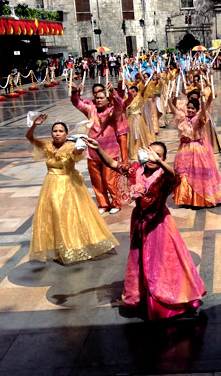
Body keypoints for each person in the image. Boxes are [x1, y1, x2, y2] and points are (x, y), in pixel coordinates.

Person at [85, 137, 206, 320]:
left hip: (158, 224)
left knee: (162, 261)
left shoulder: (164, 176)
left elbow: (174, 175)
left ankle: (166, 297)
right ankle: (143, 295)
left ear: (163, 159)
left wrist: (160, 163)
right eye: (149, 153)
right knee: (140, 260)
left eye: (157, 155)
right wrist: (99, 149)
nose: (151, 158)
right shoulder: (136, 170)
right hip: (139, 221)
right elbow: (113, 164)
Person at [26, 114, 118, 264]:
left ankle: (72, 246)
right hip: (51, 186)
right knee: (53, 215)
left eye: (61, 131)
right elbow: (29, 137)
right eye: (55, 131)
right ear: (51, 133)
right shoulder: (47, 146)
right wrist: (34, 125)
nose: (57, 134)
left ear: (66, 134)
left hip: (68, 185)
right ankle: (58, 248)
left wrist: (84, 137)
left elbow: (78, 152)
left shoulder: (70, 146)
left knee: (68, 215)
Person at [71, 81, 123, 214]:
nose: (99, 100)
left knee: (109, 179)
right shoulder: (90, 110)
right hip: (92, 152)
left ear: (107, 99)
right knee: (97, 180)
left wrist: (113, 93)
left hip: (109, 152)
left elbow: (120, 105)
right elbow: (77, 103)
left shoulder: (113, 111)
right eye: (97, 98)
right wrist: (74, 92)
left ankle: (116, 202)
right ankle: (103, 204)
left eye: (102, 98)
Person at [168, 95, 221, 207]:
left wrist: (205, 100)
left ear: (197, 110)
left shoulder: (199, 119)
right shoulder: (182, 118)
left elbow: (204, 111)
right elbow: (174, 110)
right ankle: (186, 199)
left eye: (192, 108)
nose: (190, 110)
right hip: (183, 150)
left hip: (196, 150)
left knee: (197, 173)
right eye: (188, 108)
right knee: (182, 173)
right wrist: (170, 101)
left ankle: (199, 199)